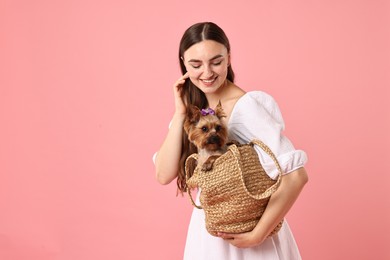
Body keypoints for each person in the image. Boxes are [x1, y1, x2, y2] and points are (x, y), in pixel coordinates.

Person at [154, 22, 309, 260]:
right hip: (208, 236)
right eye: (196, 64)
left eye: (216, 61)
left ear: (229, 58)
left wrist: (257, 234)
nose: (207, 73)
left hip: (250, 239)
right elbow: (163, 174)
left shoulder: (246, 107)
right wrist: (179, 112)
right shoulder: (194, 113)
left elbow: (296, 176)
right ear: (183, 63)